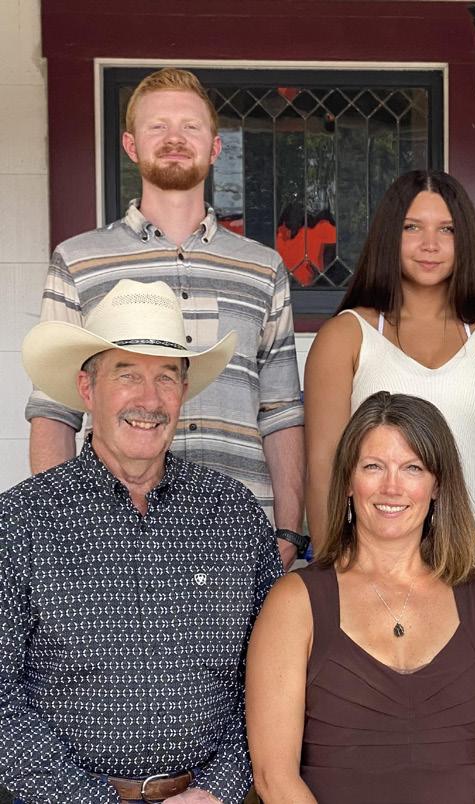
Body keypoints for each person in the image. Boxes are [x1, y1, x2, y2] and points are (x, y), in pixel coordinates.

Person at [1, 279, 281, 803]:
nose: (149, 400)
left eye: (165, 377)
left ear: (183, 390)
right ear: (87, 388)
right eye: (127, 374)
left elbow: (277, 674)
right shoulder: (23, 521)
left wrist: (218, 788)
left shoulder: (233, 516)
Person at [25, 67, 306, 568]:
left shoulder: (263, 268)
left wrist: (286, 529)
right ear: (131, 145)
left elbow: (281, 411)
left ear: (215, 148)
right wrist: (62, 532)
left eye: (190, 127)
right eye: (158, 126)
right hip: (111, 532)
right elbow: (55, 408)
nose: (175, 138)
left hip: (239, 535)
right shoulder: (78, 260)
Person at [247, 391, 475, 803]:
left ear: (437, 485)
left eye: (412, 468)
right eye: (373, 467)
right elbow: (274, 776)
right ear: (348, 481)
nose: (392, 487)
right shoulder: (294, 602)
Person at [304, 169, 475, 605]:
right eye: (412, 227)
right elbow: (324, 465)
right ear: (389, 235)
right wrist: (334, 572)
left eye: (447, 230)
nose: (430, 244)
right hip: (373, 564)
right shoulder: (345, 336)